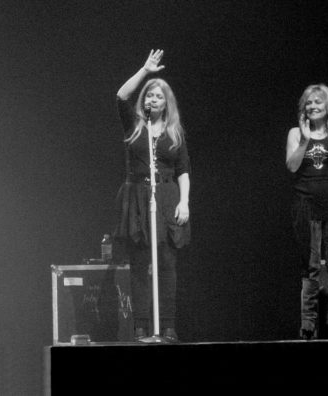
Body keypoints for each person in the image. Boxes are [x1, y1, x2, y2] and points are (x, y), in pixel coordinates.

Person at [113, 49, 191, 342]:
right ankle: (141, 326)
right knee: (139, 264)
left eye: (158, 96)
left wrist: (184, 201)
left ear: (166, 102)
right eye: (149, 96)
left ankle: (168, 325)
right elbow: (121, 96)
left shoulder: (175, 133)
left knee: (167, 263)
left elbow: (183, 169)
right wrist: (145, 70)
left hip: (168, 195)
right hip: (137, 198)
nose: (152, 100)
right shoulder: (134, 127)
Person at [285, 83, 328, 340]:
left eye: (317, 103)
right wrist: (304, 138)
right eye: (308, 103)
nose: (312, 107)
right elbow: (291, 166)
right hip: (306, 204)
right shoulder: (295, 133)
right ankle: (308, 325)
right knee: (310, 267)